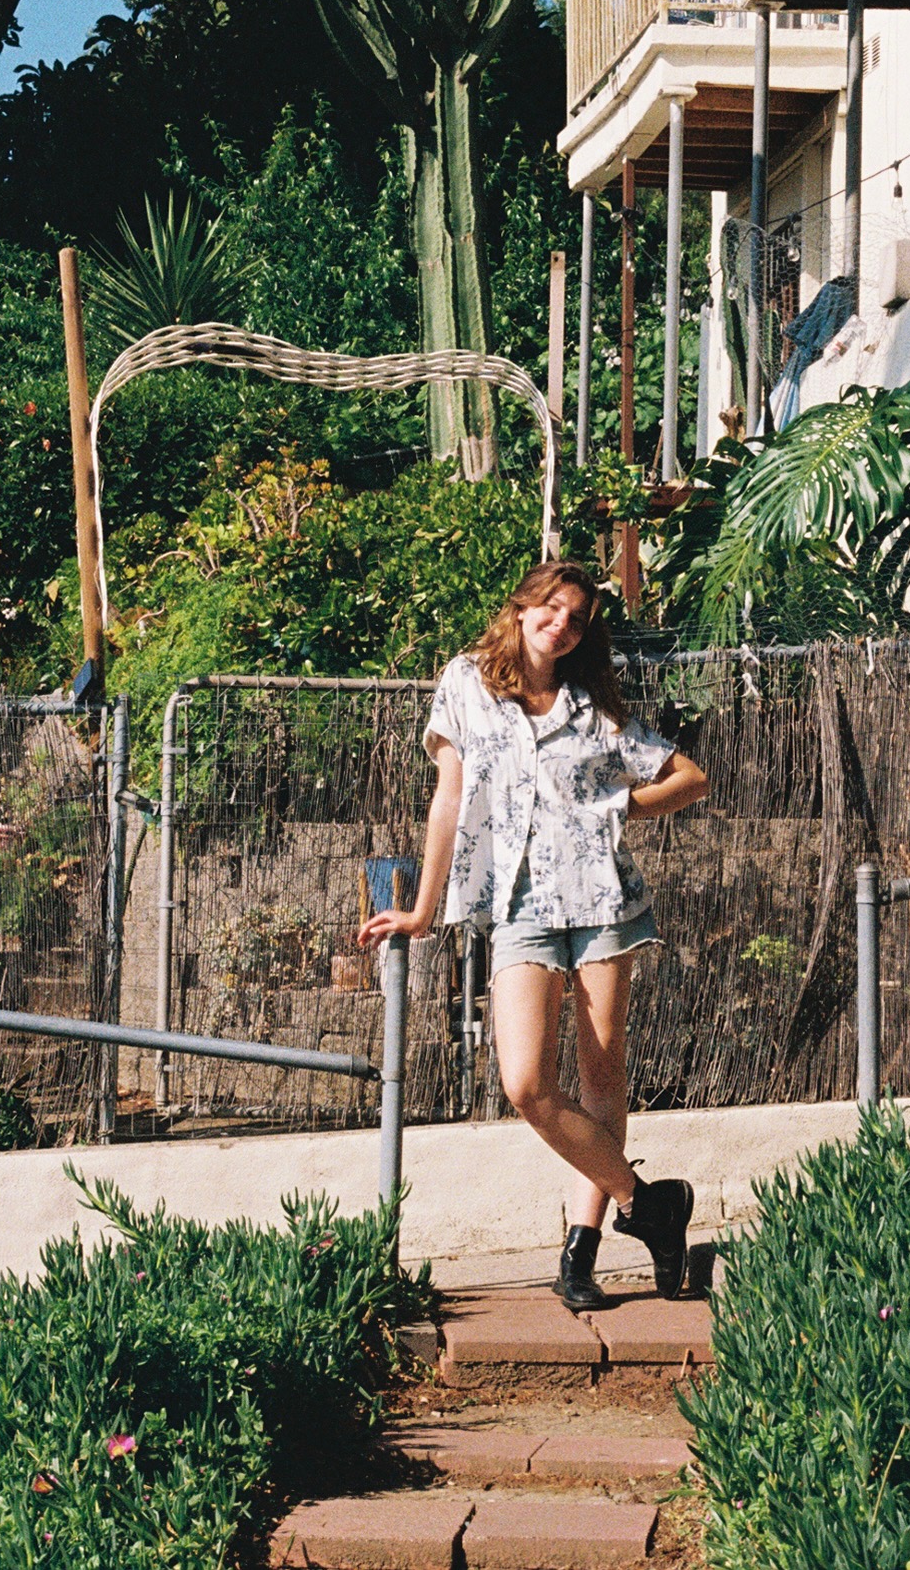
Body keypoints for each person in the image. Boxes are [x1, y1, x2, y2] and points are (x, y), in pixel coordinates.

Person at [358, 559, 709, 1309]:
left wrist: (621, 810)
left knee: (601, 1078)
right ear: (520, 609)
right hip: (517, 908)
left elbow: (689, 776)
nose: (561, 623)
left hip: (603, 904)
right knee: (525, 1083)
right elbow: (447, 800)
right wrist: (423, 910)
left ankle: (580, 1252)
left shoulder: (593, 707)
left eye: (577, 617)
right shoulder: (466, 682)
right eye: (551, 608)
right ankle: (649, 1207)